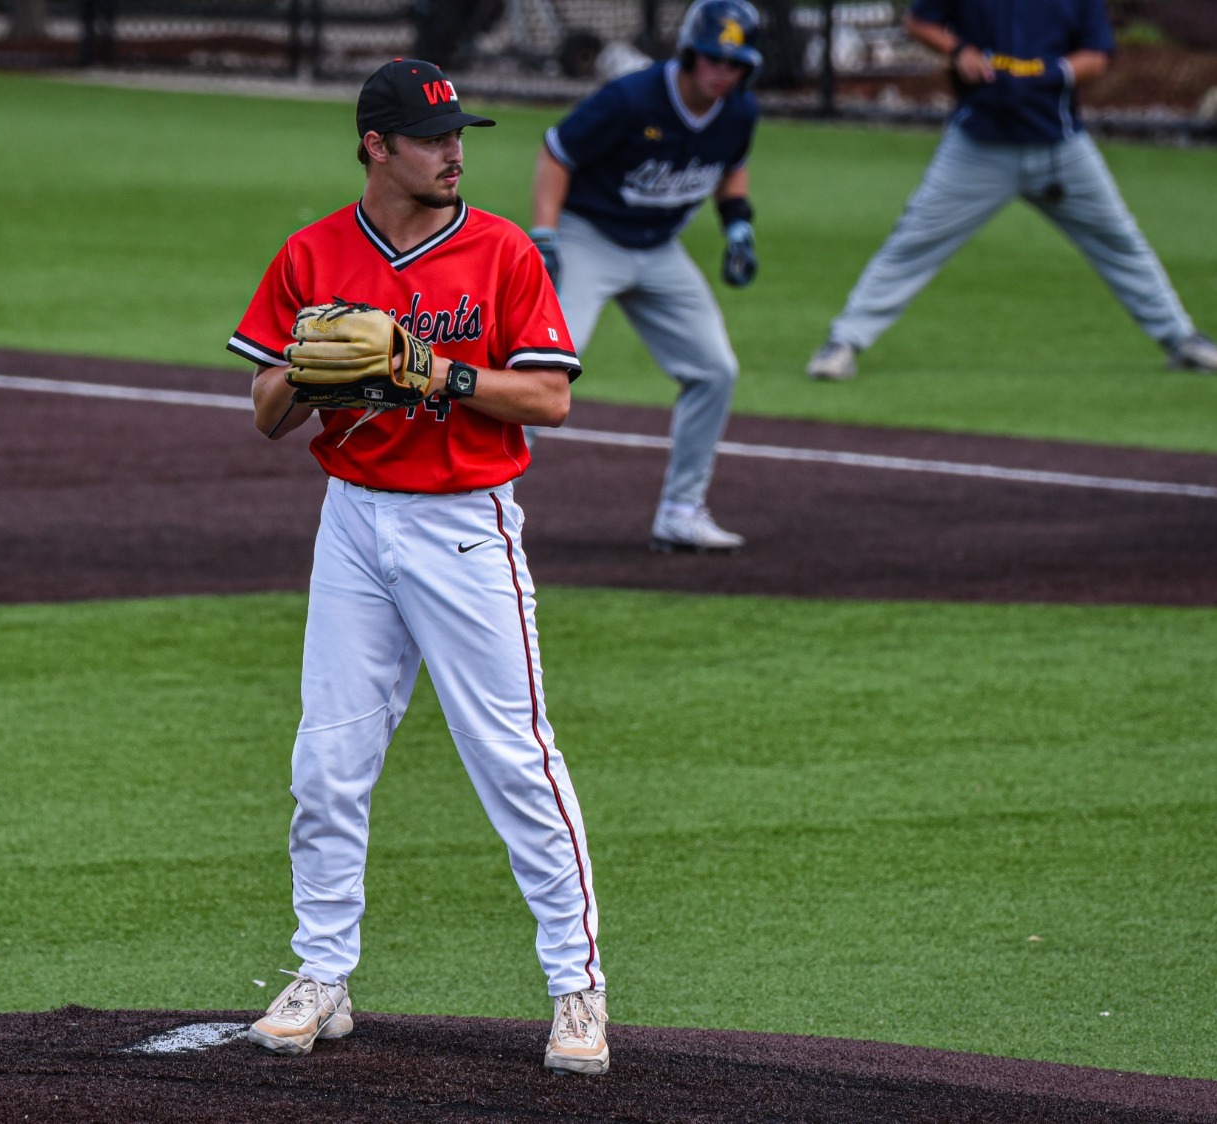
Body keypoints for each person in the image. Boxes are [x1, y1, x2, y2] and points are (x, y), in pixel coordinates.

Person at [226, 58, 609, 1076]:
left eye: (458, 135)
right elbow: (265, 409)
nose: (454, 152)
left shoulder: (499, 251)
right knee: (327, 760)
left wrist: (430, 369)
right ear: (375, 147)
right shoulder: (310, 254)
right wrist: (305, 372)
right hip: (351, 522)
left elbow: (549, 399)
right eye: (433, 137)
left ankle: (577, 986)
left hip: (462, 524)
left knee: (514, 758)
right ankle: (321, 972)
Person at [804, 0, 1217, 382]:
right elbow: (919, 22)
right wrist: (959, 50)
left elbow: (1097, 55)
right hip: (977, 146)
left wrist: (1054, 72)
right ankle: (843, 343)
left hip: (1060, 148)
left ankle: (1180, 338)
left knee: (1119, 240)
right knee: (914, 241)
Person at [529, 0, 763, 555]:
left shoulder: (739, 111)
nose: (720, 72)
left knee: (714, 369)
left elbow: (731, 164)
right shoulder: (631, 98)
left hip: (659, 249)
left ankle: (682, 511)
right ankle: (480, 501)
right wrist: (544, 233)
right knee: (543, 367)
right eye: (711, 58)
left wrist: (737, 227)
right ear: (689, 53)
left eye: (733, 63)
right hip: (590, 236)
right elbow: (556, 154)